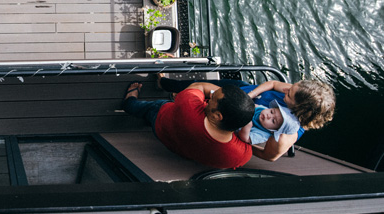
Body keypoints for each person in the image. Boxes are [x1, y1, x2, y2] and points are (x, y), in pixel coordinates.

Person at [158, 76, 336, 162]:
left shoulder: (286, 133)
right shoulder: (296, 93)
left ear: (298, 108)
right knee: (201, 85)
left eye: (290, 94)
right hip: (242, 92)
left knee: (201, 102)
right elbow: (273, 84)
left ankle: (176, 98)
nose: (286, 89)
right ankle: (167, 84)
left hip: (232, 116)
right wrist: (249, 95)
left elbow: (269, 156)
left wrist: (240, 140)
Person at [123, 81, 255, 169]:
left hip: (160, 120)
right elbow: (270, 155)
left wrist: (218, 94)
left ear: (217, 116)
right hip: (177, 148)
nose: (209, 98)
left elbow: (199, 86)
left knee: (144, 108)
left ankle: (129, 102)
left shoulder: (189, 106)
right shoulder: (239, 156)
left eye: (213, 99)